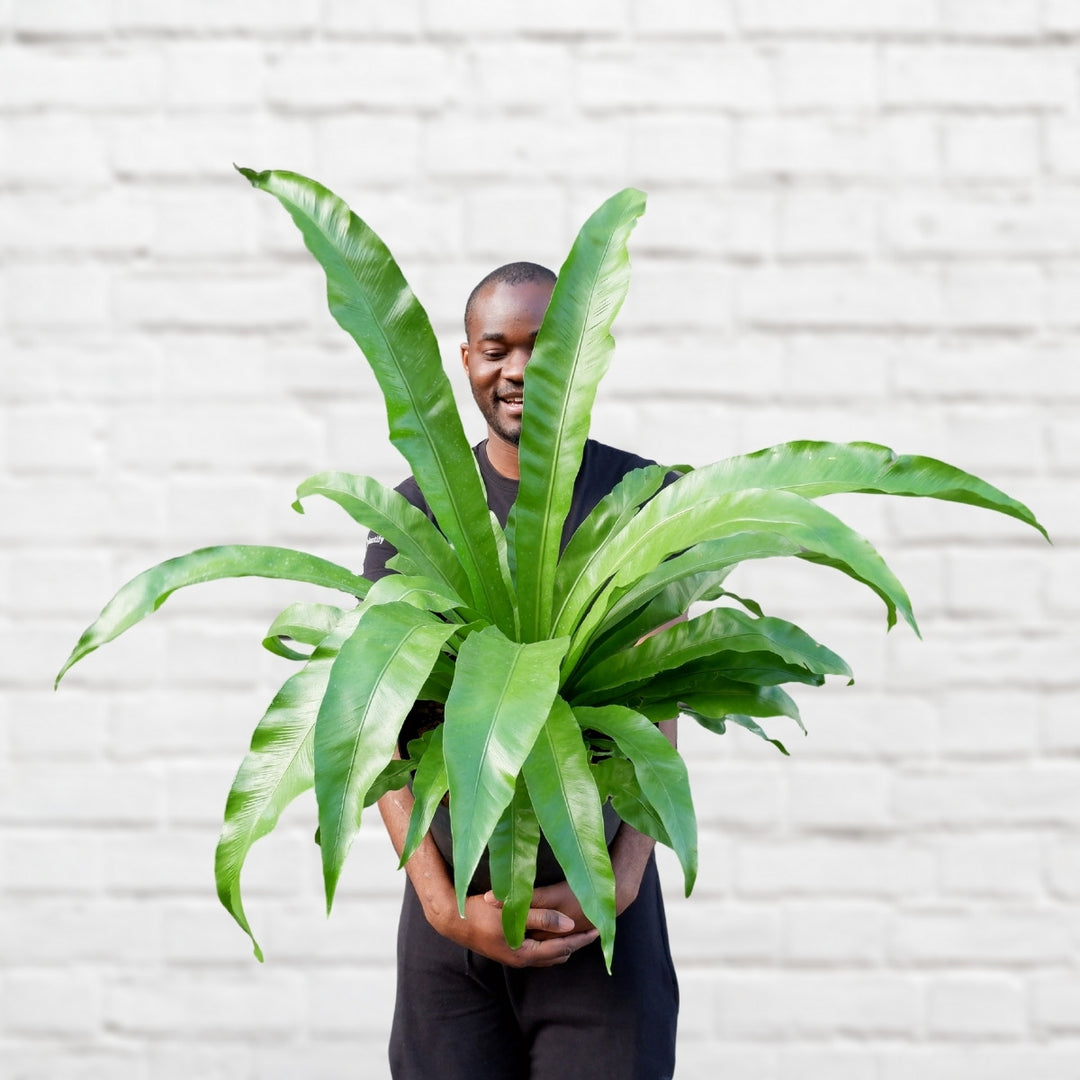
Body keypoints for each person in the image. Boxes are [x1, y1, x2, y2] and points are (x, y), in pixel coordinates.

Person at [368, 263, 679, 1080]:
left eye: (542, 347)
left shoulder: (643, 500)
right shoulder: (416, 515)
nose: (516, 371)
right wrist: (441, 907)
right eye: (495, 349)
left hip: (599, 920)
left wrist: (619, 882)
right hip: (455, 929)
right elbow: (375, 728)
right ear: (465, 358)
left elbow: (663, 704)